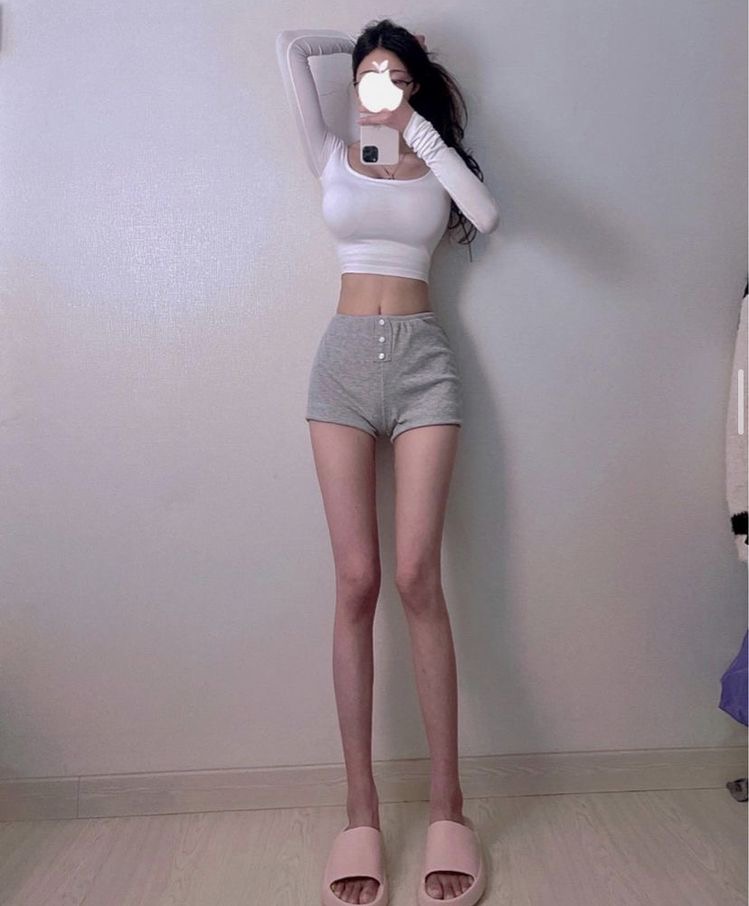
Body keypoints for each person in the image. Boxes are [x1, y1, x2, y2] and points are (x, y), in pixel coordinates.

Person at [275, 18, 498, 906]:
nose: (378, 89)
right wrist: (352, 44)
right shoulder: (331, 155)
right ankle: (360, 810)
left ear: (416, 88)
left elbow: (486, 214)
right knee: (356, 582)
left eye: (395, 77)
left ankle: (448, 805)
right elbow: (288, 49)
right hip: (339, 365)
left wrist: (413, 123)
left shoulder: (436, 163)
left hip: (422, 366)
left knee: (415, 576)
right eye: (368, 79)